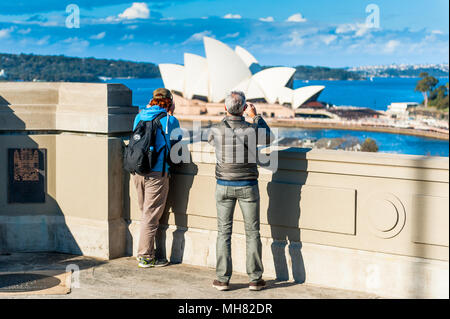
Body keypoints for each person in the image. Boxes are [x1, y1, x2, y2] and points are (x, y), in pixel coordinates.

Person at [208, 90, 273, 291]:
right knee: (253, 232)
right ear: (244, 108)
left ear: (225, 108)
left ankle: (222, 279)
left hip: (224, 185)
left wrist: (228, 114)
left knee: (223, 232)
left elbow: (214, 139)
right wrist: (256, 117)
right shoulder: (253, 129)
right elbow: (269, 138)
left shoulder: (216, 130)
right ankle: (255, 279)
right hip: (248, 186)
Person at [132, 88, 181, 268]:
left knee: (145, 213)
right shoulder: (169, 120)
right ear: (169, 102)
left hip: (138, 171)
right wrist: (171, 115)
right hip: (157, 173)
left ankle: (148, 253)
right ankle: (145, 256)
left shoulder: (139, 117)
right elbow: (176, 145)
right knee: (150, 216)